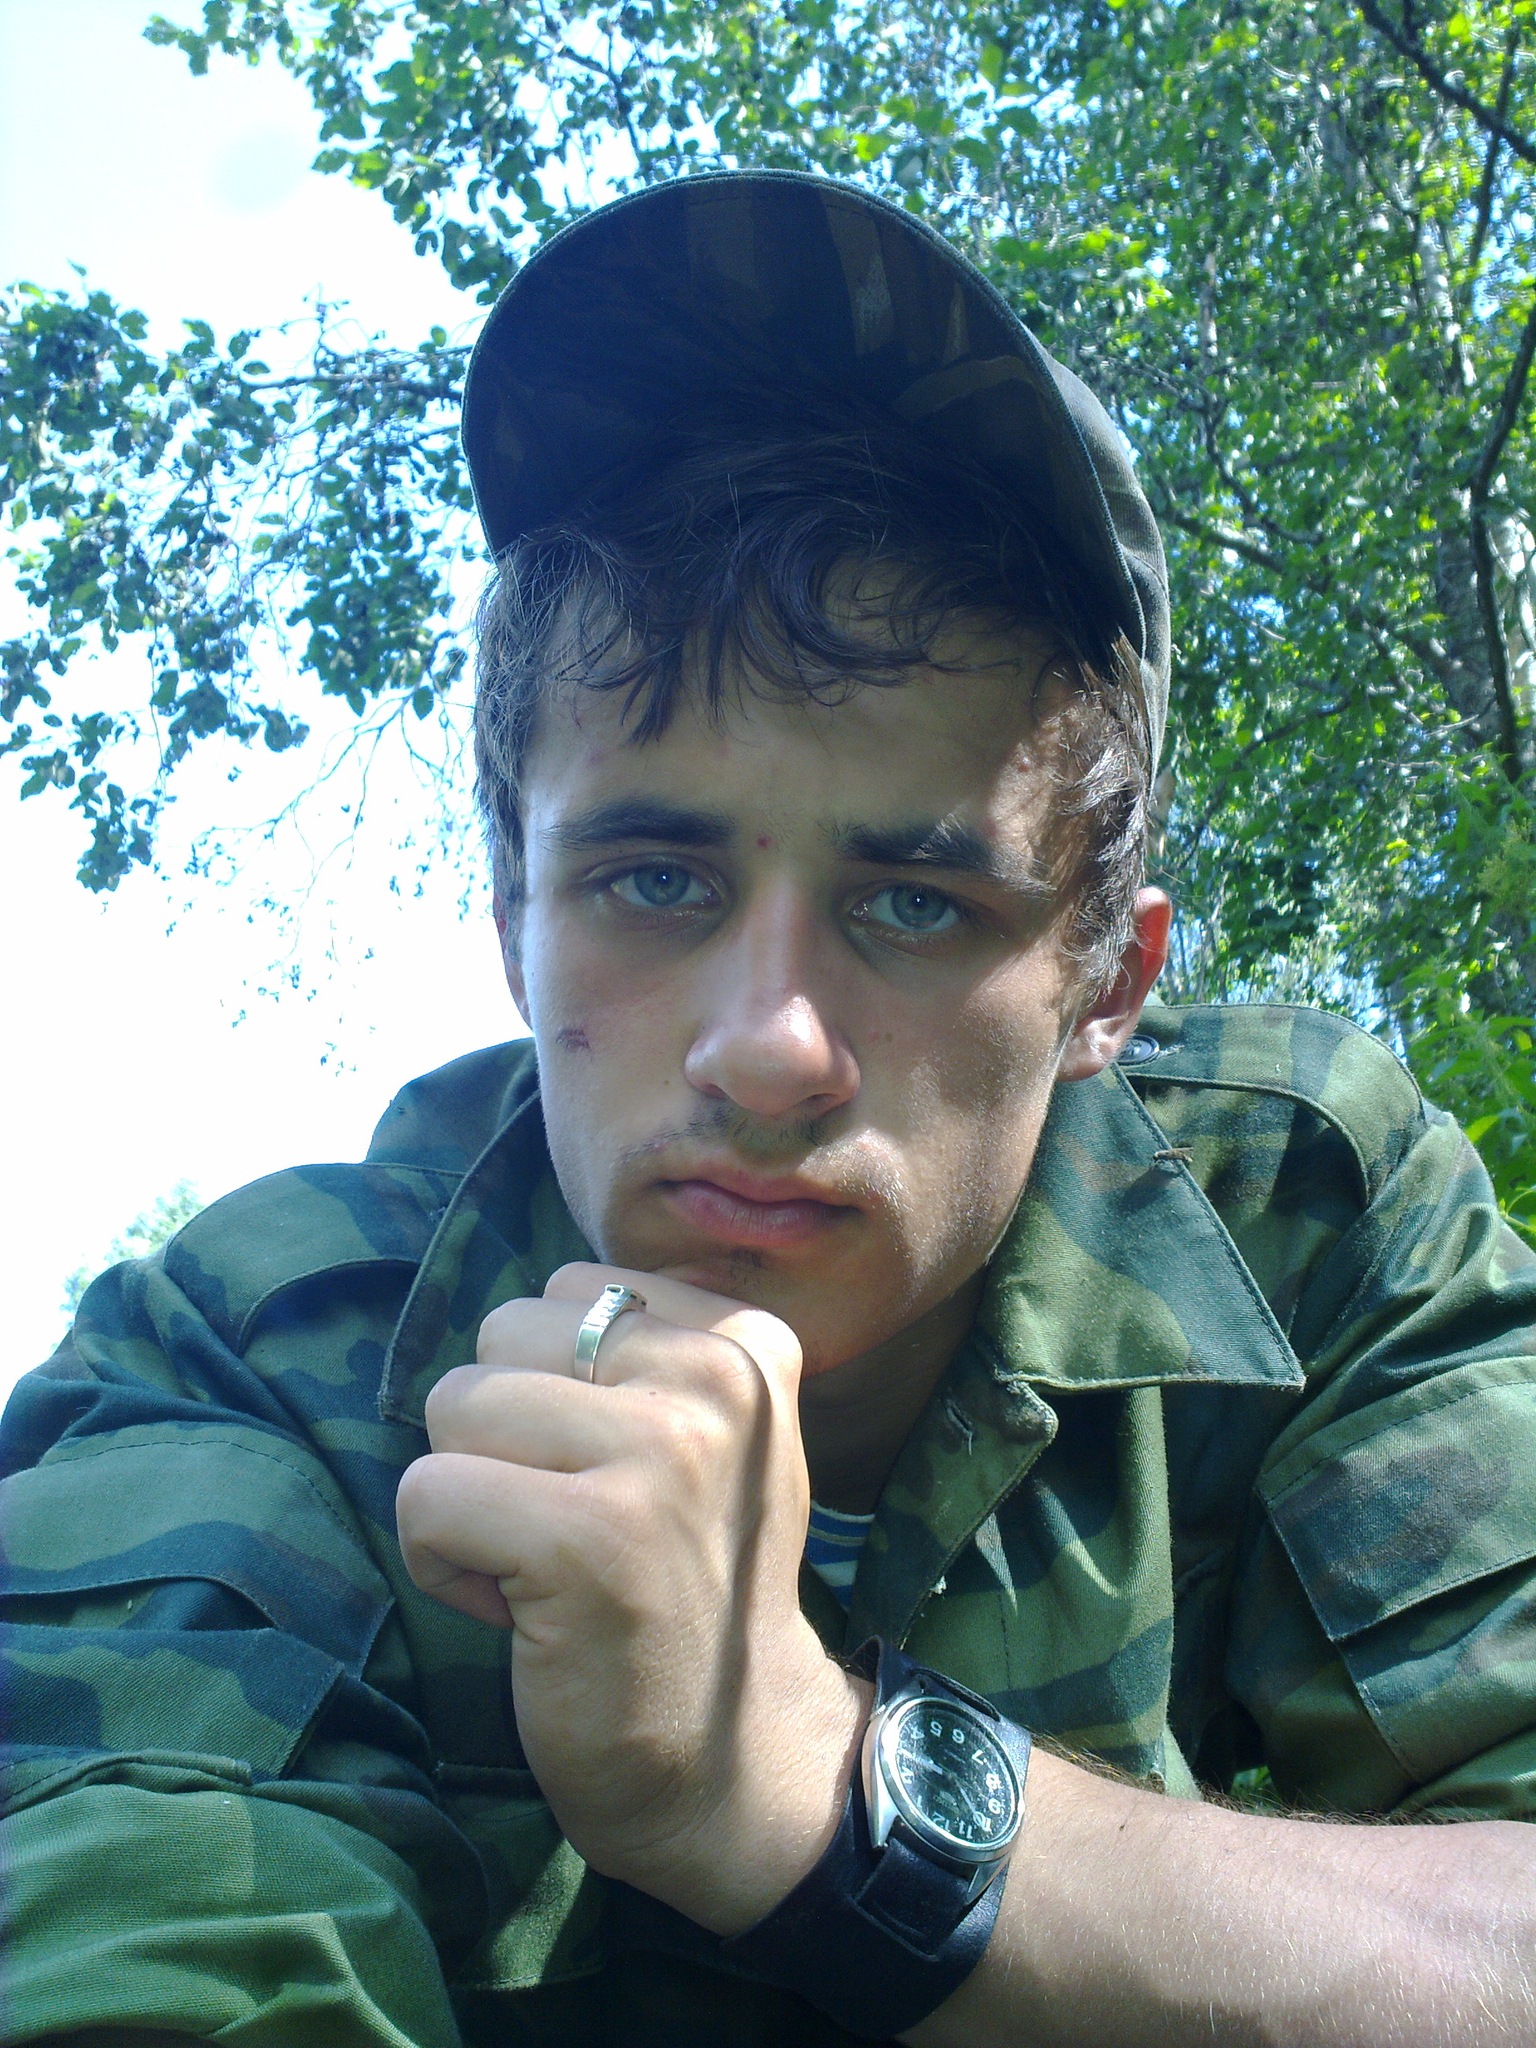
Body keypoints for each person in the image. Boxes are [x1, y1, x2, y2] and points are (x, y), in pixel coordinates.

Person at [2, 172, 1532, 2048]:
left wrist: (819, 1784)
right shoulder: (254, 1351)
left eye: (917, 905)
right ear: (514, 918)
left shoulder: (1301, 1216)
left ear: (1105, 985)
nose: (769, 1048)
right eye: (655, 881)